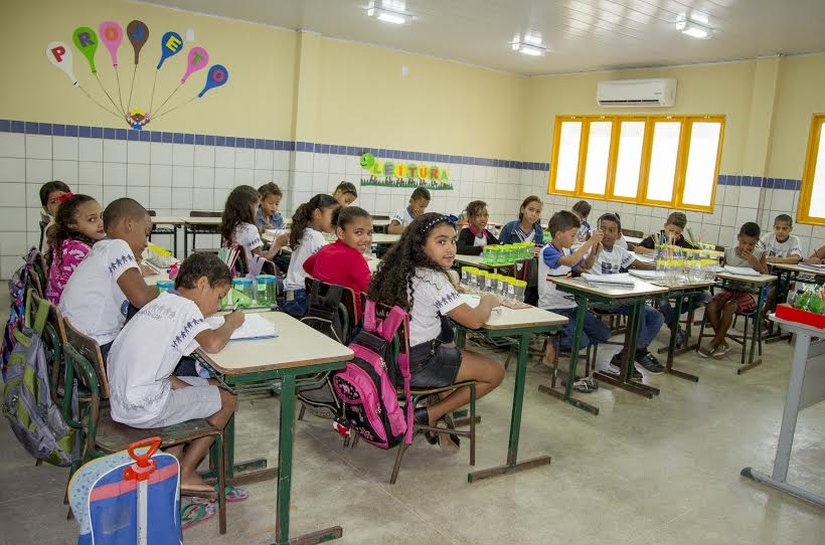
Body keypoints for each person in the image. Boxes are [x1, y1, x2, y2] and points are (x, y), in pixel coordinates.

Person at [106, 252, 246, 506]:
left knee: (210, 386)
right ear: (203, 284)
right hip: (143, 407)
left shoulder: (162, 302)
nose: (217, 306)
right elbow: (213, 344)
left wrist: (184, 387)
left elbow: (157, 360)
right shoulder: (186, 308)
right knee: (228, 399)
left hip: (122, 400)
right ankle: (187, 471)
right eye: (219, 296)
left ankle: (171, 466)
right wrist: (231, 323)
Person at [368, 213, 504, 450]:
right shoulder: (432, 279)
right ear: (420, 245)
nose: (450, 248)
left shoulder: (395, 271)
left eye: (452, 240)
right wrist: (489, 301)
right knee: (495, 372)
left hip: (387, 361)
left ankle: (438, 415)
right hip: (418, 365)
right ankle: (430, 414)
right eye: (441, 241)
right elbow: (473, 321)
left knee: (449, 347)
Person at [59, 198, 158, 359]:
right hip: (96, 347)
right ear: (129, 224)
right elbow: (142, 298)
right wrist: (164, 289)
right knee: (165, 352)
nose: (146, 243)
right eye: (146, 234)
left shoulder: (101, 246)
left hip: (77, 343)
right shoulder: (118, 246)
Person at [537, 211, 607, 390]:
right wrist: (589, 242)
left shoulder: (567, 249)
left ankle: (558, 344)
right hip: (552, 308)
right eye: (573, 235)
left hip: (571, 305)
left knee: (603, 332)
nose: (574, 239)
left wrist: (593, 252)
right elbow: (570, 262)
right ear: (559, 235)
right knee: (581, 340)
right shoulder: (548, 251)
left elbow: (584, 265)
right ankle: (554, 344)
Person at [589, 213, 664, 375]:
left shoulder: (619, 251)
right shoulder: (591, 248)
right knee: (639, 309)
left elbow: (642, 265)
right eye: (603, 229)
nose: (607, 233)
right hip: (598, 297)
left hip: (617, 298)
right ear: (597, 230)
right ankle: (636, 354)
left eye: (612, 230)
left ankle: (627, 355)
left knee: (657, 317)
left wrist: (663, 266)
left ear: (618, 234)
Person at [699, 222, 767, 358]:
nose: (746, 247)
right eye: (743, 242)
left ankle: (715, 341)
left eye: (751, 244)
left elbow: (766, 275)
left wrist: (756, 263)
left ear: (756, 243)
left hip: (750, 293)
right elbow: (722, 270)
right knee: (711, 305)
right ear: (738, 238)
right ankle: (722, 342)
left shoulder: (759, 254)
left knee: (730, 307)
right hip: (729, 289)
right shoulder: (729, 252)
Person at [638, 212, 705, 346]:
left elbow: (695, 260)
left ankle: (668, 315)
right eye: (671, 231)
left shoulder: (685, 244)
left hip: (680, 282)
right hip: (660, 281)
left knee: (705, 296)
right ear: (665, 226)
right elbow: (638, 249)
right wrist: (658, 252)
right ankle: (675, 329)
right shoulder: (657, 238)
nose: (673, 235)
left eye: (677, 233)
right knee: (662, 300)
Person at [304, 206, 373, 314]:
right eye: (358, 232)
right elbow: (373, 291)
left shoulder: (325, 250)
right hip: (353, 323)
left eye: (369, 233)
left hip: (323, 314)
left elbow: (307, 266)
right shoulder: (355, 259)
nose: (366, 239)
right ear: (341, 233)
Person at [283, 194, 339, 316]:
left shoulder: (304, 231)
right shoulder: (316, 237)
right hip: (301, 296)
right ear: (318, 214)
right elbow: (332, 261)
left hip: (291, 294)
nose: (336, 221)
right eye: (333, 216)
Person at [44, 194, 105, 304]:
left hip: (59, 309)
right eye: (92, 219)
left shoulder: (66, 242)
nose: (101, 223)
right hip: (70, 314)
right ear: (72, 225)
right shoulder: (79, 250)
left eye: (101, 216)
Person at [220, 185, 285, 272]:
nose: (257, 210)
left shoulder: (232, 226)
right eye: (257, 206)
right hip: (253, 276)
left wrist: (263, 253)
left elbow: (254, 255)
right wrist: (278, 244)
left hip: (237, 274)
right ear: (247, 207)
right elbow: (259, 261)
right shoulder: (250, 229)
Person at [38, 180, 72, 251]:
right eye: (53, 202)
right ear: (46, 209)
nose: (60, 204)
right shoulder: (53, 228)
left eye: (63, 198)